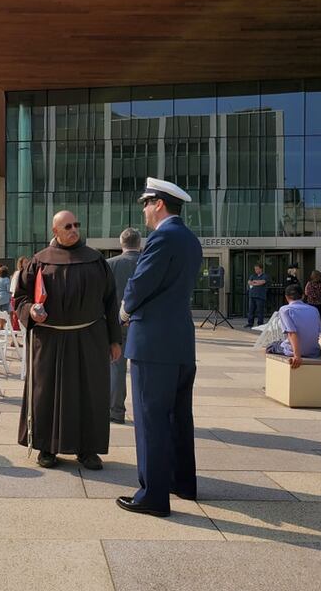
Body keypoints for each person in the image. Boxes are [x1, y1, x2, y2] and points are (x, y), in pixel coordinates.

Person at [116, 178, 201, 518]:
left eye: (147, 204)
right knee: (179, 417)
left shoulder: (162, 238)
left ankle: (153, 495)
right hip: (180, 341)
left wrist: (124, 310)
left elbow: (141, 284)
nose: (145, 211)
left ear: (160, 204)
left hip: (153, 343)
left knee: (151, 419)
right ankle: (182, 482)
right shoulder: (190, 240)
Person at [14, 210, 120, 471]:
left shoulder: (96, 261)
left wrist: (114, 340)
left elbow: (110, 303)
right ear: (55, 231)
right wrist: (31, 311)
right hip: (49, 338)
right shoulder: (39, 262)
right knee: (46, 392)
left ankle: (88, 450)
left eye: (76, 224)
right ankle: (47, 448)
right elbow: (20, 298)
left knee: (89, 393)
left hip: (89, 338)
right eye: (67, 226)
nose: (74, 229)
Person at [106, 227, 141, 425]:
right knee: (144, 372)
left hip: (115, 325)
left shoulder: (110, 265)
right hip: (143, 325)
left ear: (121, 243)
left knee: (116, 370)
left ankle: (116, 411)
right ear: (139, 243)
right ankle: (146, 414)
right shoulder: (148, 263)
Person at [266, 284, 321, 367]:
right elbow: (318, 331)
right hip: (314, 351)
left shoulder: (285, 309)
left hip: (293, 350)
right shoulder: (314, 310)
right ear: (303, 296)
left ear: (286, 297)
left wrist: (297, 355)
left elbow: (291, 333)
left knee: (271, 346)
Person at [245, 263, 269, 327]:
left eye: (257, 269)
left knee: (260, 311)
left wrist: (254, 283)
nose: (256, 270)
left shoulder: (265, 276)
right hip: (252, 296)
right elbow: (249, 282)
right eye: (255, 269)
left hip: (260, 296)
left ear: (261, 269)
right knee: (251, 310)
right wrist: (256, 282)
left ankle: (260, 324)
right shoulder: (253, 275)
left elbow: (262, 282)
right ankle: (250, 323)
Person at [9, 256, 28, 331]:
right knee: (16, 317)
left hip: (19, 297)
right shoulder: (18, 273)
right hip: (17, 297)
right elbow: (13, 288)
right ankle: (15, 338)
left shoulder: (20, 273)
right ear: (21, 264)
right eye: (25, 262)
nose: (27, 264)